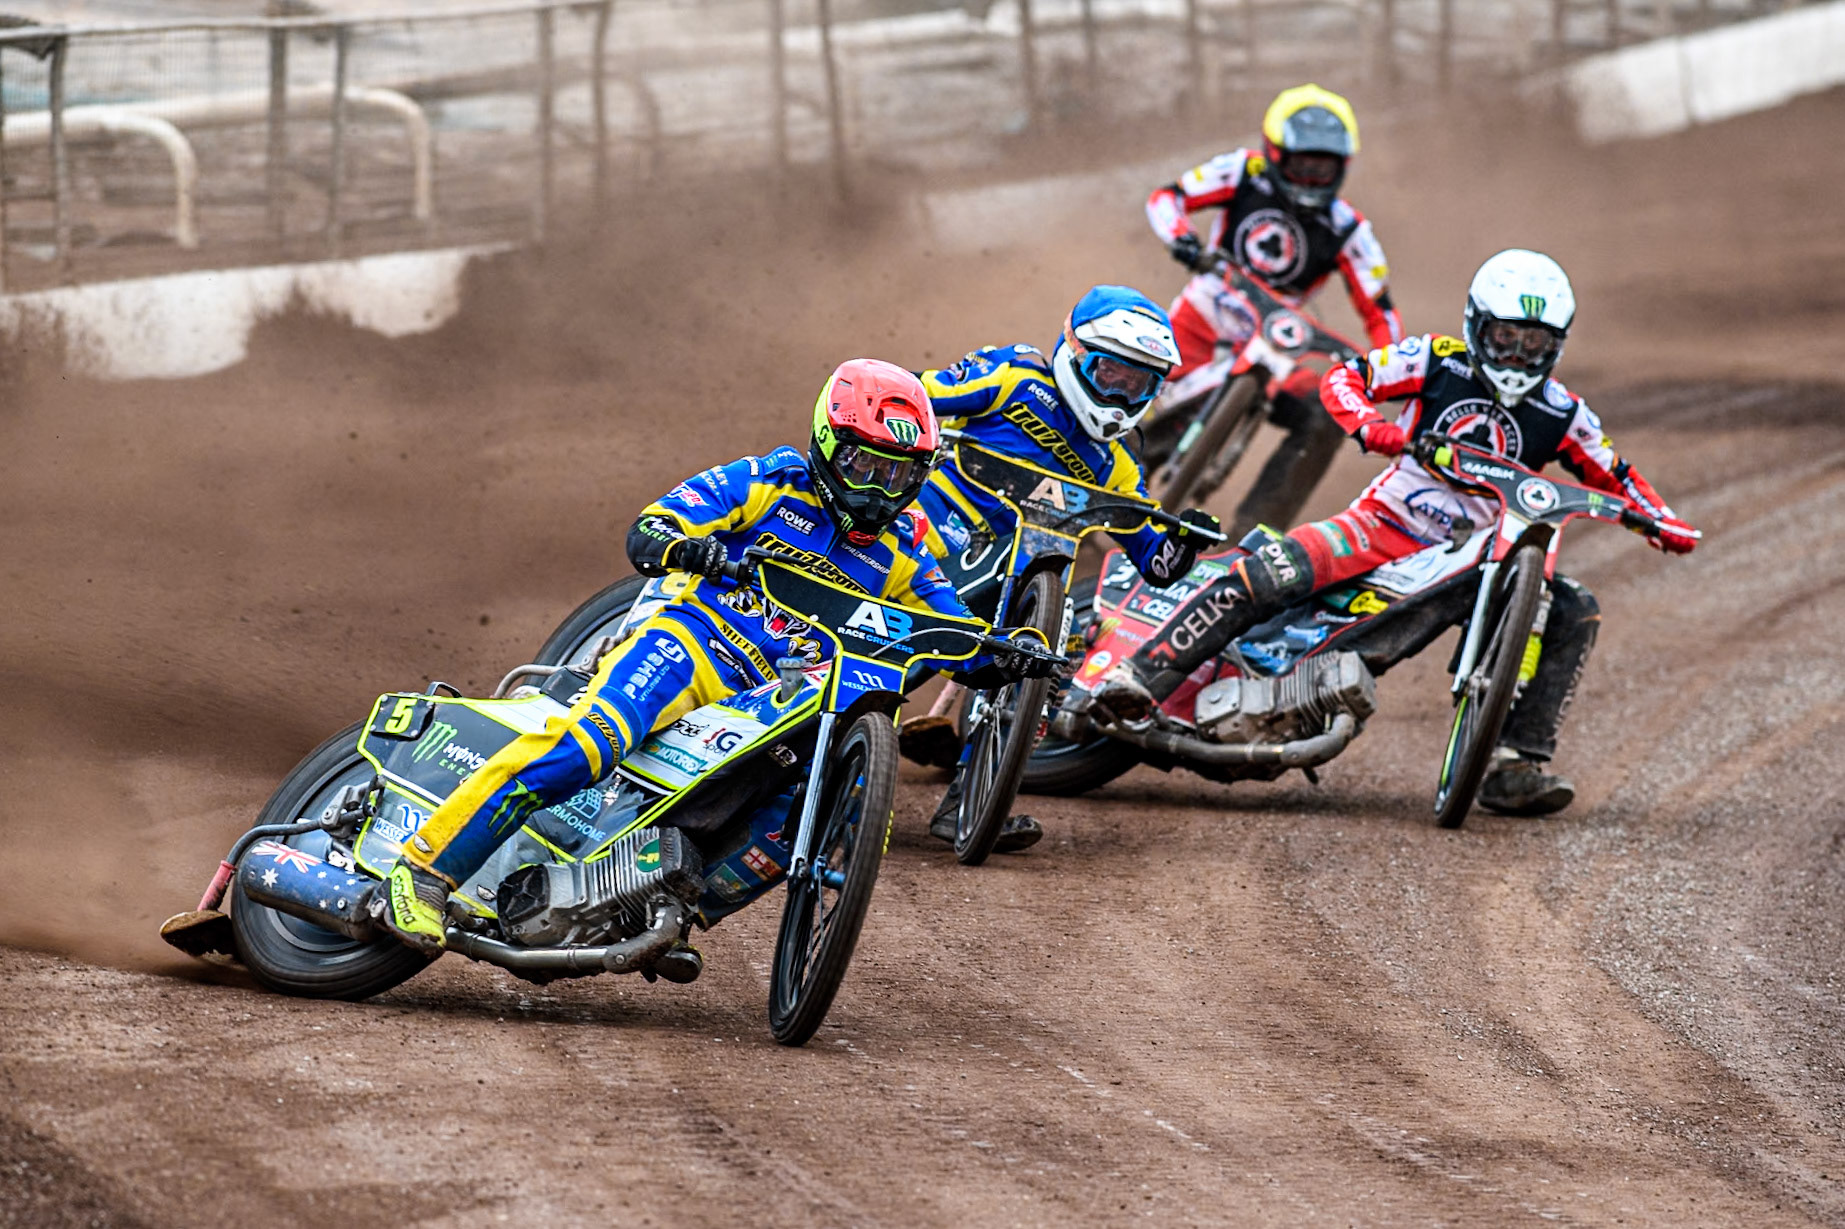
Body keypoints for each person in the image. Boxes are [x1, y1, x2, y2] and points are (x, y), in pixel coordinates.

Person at [379, 358, 1053, 953]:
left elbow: (950, 627)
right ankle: (424, 869)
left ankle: (655, 906)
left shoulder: (906, 543)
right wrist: (687, 545)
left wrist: (1008, 654)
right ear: (828, 443)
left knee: (798, 817)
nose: (878, 489)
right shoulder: (771, 479)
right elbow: (653, 526)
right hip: (688, 648)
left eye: (898, 474)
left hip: (775, 699)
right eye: (864, 466)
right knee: (586, 746)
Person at [1086, 250, 1699, 816]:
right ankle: (1137, 679)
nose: (1515, 355)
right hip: (1382, 524)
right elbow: (1344, 380)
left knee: (1574, 607)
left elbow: (1619, 475)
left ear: (1555, 346)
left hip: (1472, 559)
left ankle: (1515, 763)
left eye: (1532, 343)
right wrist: (1374, 430)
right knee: (1272, 572)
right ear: (1476, 326)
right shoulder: (1435, 357)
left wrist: (1661, 521)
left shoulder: (1566, 413)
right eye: (1504, 338)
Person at [903, 285, 1221, 851]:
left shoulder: (1117, 464)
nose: (1122, 396)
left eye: (1140, 383)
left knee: (1049, 662)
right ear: (1075, 352)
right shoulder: (1013, 377)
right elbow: (910, 401)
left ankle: (967, 807)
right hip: (928, 536)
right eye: (1112, 375)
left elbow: (1155, 561)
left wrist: (1185, 541)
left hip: (1017, 589)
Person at [1146, 83, 1405, 537]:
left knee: (1326, 413)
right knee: (1127, 392)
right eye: (1302, 165)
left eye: (1322, 169)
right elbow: (1167, 198)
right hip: (1204, 317)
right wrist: (1183, 241)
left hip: (1280, 343)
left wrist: (1392, 366)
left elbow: (1379, 307)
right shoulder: (1243, 171)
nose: (1310, 179)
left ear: (1342, 168)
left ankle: (1255, 533)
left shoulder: (1348, 228)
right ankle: (1092, 488)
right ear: (1275, 153)